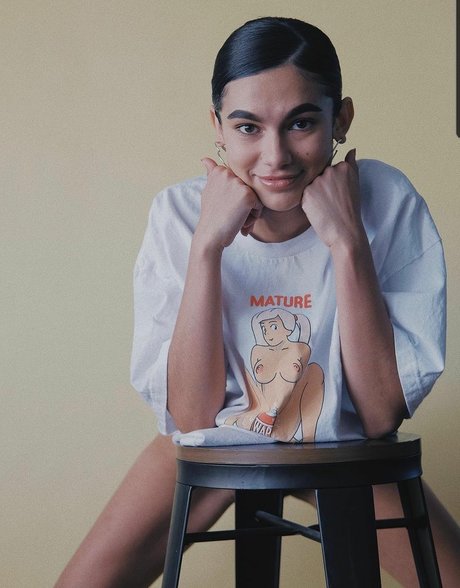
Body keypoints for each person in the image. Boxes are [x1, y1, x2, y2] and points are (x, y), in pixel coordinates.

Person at [55, 17, 460, 587]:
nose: (276, 156)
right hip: (218, 439)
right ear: (217, 128)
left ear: (341, 119)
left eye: (301, 123)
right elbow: (192, 417)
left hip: (341, 445)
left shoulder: (386, 199)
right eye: (248, 126)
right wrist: (207, 246)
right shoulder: (178, 214)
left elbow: (377, 415)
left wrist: (346, 241)